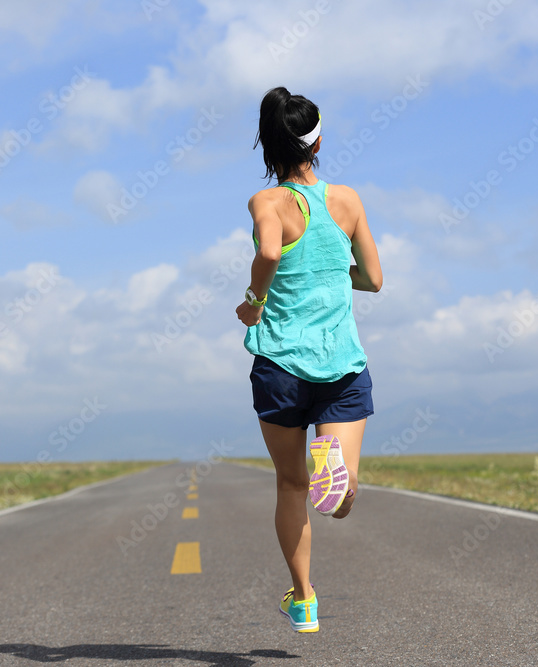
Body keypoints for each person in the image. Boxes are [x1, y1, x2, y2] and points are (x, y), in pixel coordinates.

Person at [236, 87, 383, 633]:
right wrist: (332, 274)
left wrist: (253, 303)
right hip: (341, 361)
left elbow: (270, 252)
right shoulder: (347, 200)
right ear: (317, 140)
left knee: (291, 485)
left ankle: (303, 599)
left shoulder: (266, 203)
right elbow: (373, 278)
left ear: (268, 145)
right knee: (334, 494)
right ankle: (340, 488)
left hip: (280, 364)